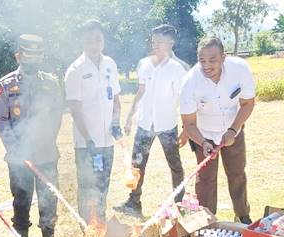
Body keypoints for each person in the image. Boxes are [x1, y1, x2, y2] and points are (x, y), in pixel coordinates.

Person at [0, 34, 64, 237]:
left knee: (49, 199)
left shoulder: (51, 83)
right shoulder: (6, 85)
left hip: (46, 154)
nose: (33, 61)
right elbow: (0, 119)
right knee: (21, 200)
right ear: (19, 56)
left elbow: (57, 114)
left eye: (37, 56)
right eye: (28, 56)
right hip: (19, 157)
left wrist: (46, 138)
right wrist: (17, 147)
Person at [178, 37, 256, 224]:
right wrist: (204, 143)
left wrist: (232, 130)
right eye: (202, 60)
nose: (206, 66)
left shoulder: (240, 69)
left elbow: (247, 103)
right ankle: (207, 219)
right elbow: (189, 124)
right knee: (205, 179)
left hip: (233, 129)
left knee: (237, 173)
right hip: (203, 134)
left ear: (223, 57)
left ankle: (242, 214)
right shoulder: (189, 82)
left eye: (212, 60)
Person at [115, 24, 187, 217]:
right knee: (137, 164)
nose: (155, 45)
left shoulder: (176, 69)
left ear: (171, 43)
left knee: (175, 165)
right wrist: (130, 117)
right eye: (153, 41)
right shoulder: (144, 64)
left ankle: (179, 204)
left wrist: (186, 126)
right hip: (144, 124)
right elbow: (140, 92)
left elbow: (183, 99)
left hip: (167, 126)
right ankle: (133, 202)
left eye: (160, 41)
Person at [64, 19, 122, 222]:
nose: (94, 44)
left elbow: (115, 99)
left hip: (107, 142)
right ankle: (88, 231)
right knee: (88, 188)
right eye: (90, 41)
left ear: (103, 40)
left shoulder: (110, 65)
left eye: (98, 40)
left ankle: (101, 226)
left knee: (103, 186)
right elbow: (75, 109)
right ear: (83, 42)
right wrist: (89, 140)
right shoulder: (75, 70)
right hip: (86, 144)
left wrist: (116, 123)